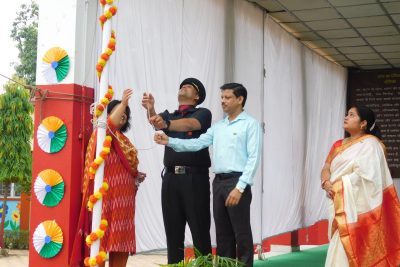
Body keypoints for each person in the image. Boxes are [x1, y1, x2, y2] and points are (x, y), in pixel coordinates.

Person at [154, 83, 262, 267]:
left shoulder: (250, 124)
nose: (223, 101)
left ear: (240, 99)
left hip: (237, 182)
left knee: (241, 233)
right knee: (222, 234)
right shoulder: (218, 126)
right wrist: (169, 141)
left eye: (227, 97)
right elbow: (196, 143)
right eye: (221, 97)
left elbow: (254, 158)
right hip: (218, 182)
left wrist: (241, 187)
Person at [71, 89, 145, 267]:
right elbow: (110, 124)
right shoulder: (102, 133)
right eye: (119, 110)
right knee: (100, 239)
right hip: (105, 199)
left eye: (126, 114)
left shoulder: (124, 140)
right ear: (108, 114)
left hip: (124, 201)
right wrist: (124, 103)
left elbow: (126, 165)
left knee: (121, 242)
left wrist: (135, 175)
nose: (124, 115)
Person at [141, 78, 212, 264]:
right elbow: (157, 122)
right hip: (171, 178)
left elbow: (190, 125)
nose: (184, 87)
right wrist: (151, 108)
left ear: (197, 96)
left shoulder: (203, 113)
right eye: (182, 85)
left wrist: (166, 125)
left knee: (200, 232)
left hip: (195, 178)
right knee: (173, 233)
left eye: (189, 87)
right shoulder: (169, 115)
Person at [321, 105, 400, 267]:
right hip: (341, 202)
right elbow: (326, 167)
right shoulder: (338, 145)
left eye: (351, 115)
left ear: (363, 123)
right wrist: (326, 182)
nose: (346, 117)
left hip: (360, 207)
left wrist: (338, 186)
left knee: (354, 245)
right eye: (346, 114)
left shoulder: (371, 145)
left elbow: (371, 178)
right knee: (339, 241)